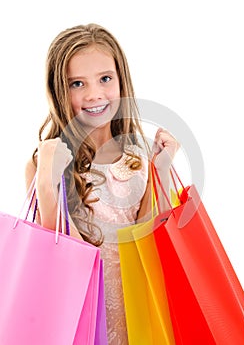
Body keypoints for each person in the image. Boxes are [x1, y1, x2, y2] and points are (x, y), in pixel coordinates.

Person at [25, 23, 179, 344]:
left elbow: (151, 243)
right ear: (59, 91)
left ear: (121, 79)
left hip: (133, 312)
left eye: (105, 79)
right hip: (79, 317)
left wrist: (160, 171)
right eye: (77, 83)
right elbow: (53, 254)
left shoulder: (137, 156)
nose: (94, 94)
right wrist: (46, 183)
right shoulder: (45, 162)